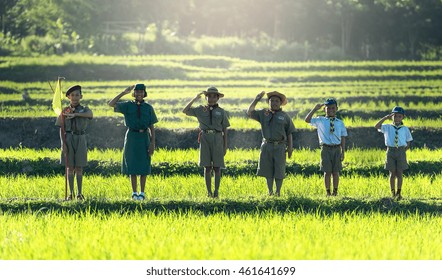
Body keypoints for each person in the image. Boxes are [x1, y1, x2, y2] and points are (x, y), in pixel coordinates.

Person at [108, 84, 158, 201]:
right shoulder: (127, 106)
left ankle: (142, 193)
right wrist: (123, 93)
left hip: (144, 136)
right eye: (137, 92)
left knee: (144, 164)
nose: (139, 94)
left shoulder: (148, 108)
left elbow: (152, 126)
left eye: (141, 92)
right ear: (134, 93)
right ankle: (134, 193)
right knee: (132, 164)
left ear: (144, 93)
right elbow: (111, 104)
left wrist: (152, 142)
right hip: (131, 136)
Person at [182, 86, 230, 198]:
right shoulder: (199, 109)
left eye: (214, 96)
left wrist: (225, 146)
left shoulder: (221, 112)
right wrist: (194, 99)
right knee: (207, 167)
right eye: (209, 96)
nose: (211, 99)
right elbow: (185, 111)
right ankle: (209, 192)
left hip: (217, 138)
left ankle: (216, 191)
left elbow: (225, 130)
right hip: (205, 138)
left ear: (218, 98)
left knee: (217, 167)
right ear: (206, 97)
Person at [247, 91, 295, 196]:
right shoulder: (263, 113)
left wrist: (290, 148)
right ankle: (270, 192)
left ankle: (278, 192)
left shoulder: (284, 116)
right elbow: (249, 112)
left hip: (280, 146)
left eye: (277, 101)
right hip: (267, 145)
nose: (274, 103)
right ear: (268, 102)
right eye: (272, 101)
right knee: (268, 170)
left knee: (279, 170)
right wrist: (256, 99)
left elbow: (290, 132)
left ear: (280, 103)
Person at [55, 85, 93, 200]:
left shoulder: (84, 109)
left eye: (77, 95)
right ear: (68, 97)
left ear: (81, 96)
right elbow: (61, 128)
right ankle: (70, 193)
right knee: (69, 167)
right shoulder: (65, 110)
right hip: (68, 138)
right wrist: (63, 144)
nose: (75, 97)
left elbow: (90, 115)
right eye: (72, 95)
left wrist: (75, 114)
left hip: (80, 138)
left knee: (79, 167)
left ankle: (79, 193)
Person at [304, 98, 347, 196]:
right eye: (328, 108)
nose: (330, 110)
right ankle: (328, 192)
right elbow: (307, 120)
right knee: (327, 172)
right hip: (326, 149)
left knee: (336, 172)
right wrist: (315, 109)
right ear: (324, 109)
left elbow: (343, 137)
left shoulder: (340, 122)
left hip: (336, 148)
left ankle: (335, 191)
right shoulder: (320, 120)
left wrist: (343, 151)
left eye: (333, 108)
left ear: (336, 108)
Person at [374, 106, 413, 200]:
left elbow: (408, 141)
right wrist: (385, 118)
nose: (397, 118)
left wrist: (403, 150)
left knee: (399, 173)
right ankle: (392, 193)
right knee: (392, 173)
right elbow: (376, 126)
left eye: (399, 116)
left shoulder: (405, 129)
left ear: (403, 117)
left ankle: (399, 193)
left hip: (401, 151)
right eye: (395, 116)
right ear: (392, 116)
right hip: (390, 151)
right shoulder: (387, 127)